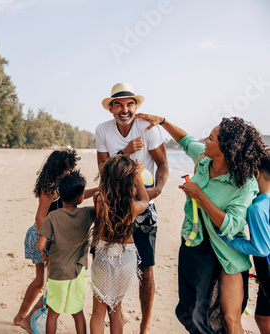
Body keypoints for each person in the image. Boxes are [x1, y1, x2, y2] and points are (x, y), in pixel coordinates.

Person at [136, 113, 267, 334]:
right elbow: (186, 141)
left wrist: (200, 196)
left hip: (229, 253)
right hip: (196, 247)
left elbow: (233, 225)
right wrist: (164, 122)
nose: (205, 140)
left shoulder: (244, 184)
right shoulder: (204, 160)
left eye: (211, 138)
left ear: (226, 150)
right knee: (194, 314)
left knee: (230, 318)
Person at [95, 82, 169, 334]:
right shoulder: (102, 130)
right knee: (109, 264)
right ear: (111, 109)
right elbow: (103, 172)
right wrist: (124, 152)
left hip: (144, 205)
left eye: (129, 104)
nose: (124, 109)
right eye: (119, 104)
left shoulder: (146, 127)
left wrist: (156, 190)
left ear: (135, 107)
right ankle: (120, 313)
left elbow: (163, 165)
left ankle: (145, 325)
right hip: (115, 205)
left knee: (145, 269)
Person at [15, 149, 97, 331]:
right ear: (60, 169)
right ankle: (23, 318)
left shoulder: (62, 186)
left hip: (52, 234)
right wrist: (49, 243)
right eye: (69, 168)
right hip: (41, 234)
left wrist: (98, 189)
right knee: (41, 282)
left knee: (44, 283)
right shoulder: (50, 189)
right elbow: (39, 217)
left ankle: (22, 317)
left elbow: (79, 193)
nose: (71, 171)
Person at [90, 155, 149, 334]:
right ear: (129, 180)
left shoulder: (99, 199)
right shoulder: (133, 206)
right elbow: (145, 200)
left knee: (98, 311)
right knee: (116, 310)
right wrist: (138, 177)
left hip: (103, 254)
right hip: (126, 256)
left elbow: (104, 188)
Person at [36, 170, 96, 334]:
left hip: (57, 272)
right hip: (78, 272)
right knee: (77, 313)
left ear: (59, 195)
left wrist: (47, 249)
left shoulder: (53, 216)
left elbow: (40, 245)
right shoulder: (87, 213)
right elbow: (100, 201)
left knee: (53, 314)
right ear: (81, 198)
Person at [221, 154, 270, 333]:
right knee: (262, 318)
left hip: (268, 270)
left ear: (256, 173)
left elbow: (261, 248)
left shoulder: (257, 207)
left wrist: (231, 242)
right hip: (265, 272)